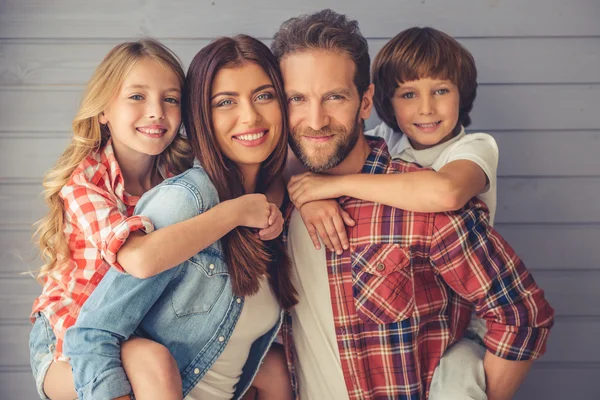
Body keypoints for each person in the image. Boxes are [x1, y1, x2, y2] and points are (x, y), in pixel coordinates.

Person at [271, 9, 555, 400]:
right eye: (297, 99)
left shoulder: (424, 202)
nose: (316, 119)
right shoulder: (273, 200)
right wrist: (305, 193)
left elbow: (522, 316)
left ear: (365, 101)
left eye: (335, 96)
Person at [61, 35, 296, 400]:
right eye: (225, 102)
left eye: (264, 96)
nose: (250, 116)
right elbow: (92, 333)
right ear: (201, 115)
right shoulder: (186, 201)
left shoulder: (276, 204)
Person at [29, 38, 196, 400]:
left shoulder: (177, 180)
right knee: (150, 362)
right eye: (137, 96)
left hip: (129, 329)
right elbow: (135, 255)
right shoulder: (83, 180)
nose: (156, 111)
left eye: (170, 99)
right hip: (67, 337)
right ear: (103, 109)